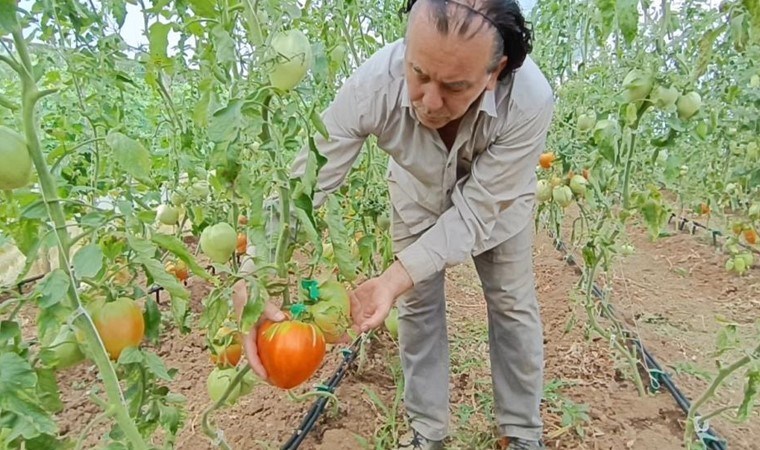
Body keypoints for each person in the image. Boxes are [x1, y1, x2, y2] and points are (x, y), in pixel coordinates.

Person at [234, 0, 554, 448]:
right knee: (418, 308)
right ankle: (428, 434)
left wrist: (394, 276)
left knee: (511, 304)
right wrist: (256, 263)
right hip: (416, 194)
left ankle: (521, 433)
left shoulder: (530, 100)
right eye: (418, 73)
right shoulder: (374, 83)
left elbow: (478, 211)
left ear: (495, 71)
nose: (429, 101)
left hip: (497, 207)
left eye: (455, 86)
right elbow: (306, 180)